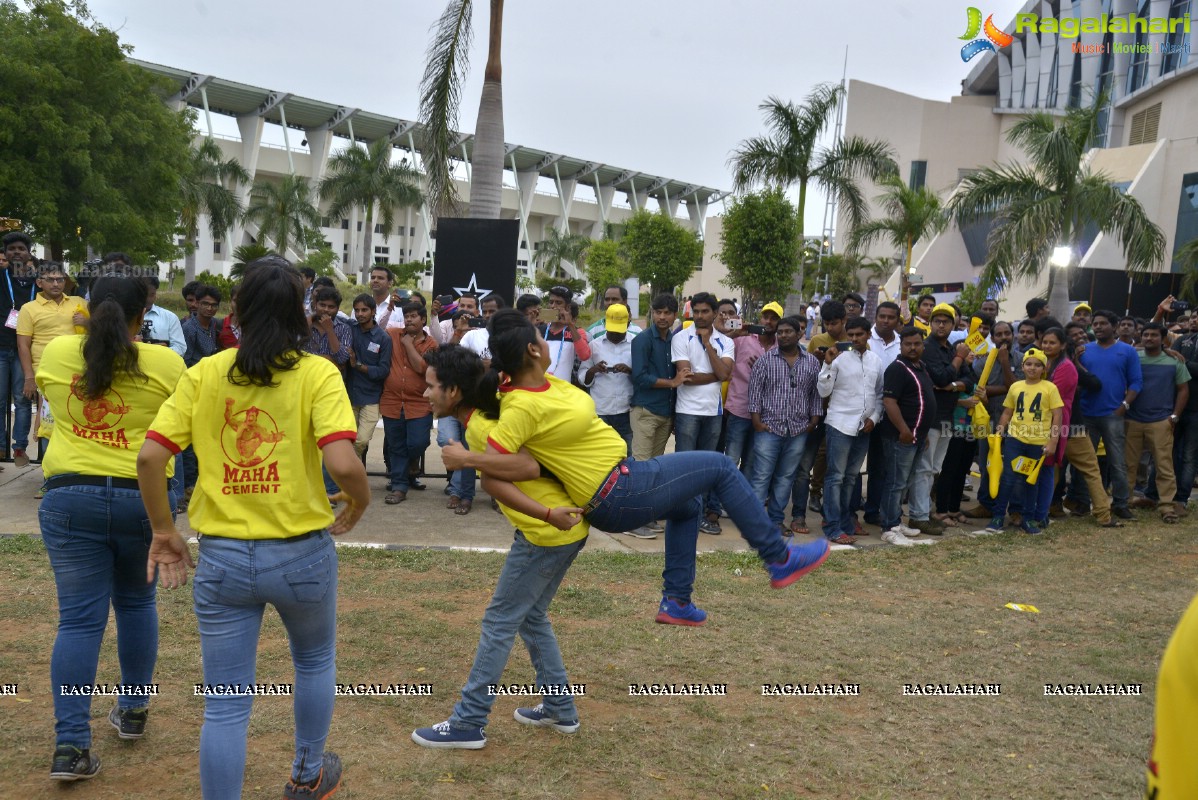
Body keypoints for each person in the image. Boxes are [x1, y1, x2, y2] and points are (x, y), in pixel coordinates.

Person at [137, 257, 369, 800]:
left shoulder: (205, 373)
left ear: (236, 311)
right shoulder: (317, 373)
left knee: (225, 705)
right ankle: (308, 774)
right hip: (301, 556)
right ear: (303, 316)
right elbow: (342, 462)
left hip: (221, 558)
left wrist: (164, 530)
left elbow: (151, 458)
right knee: (313, 661)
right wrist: (357, 504)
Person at [441, 309, 829, 627]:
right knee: (722, 467)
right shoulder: (520, 403)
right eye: (541, 337)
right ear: (533, 349)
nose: (547, 340)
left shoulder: (535, 383)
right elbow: (502, 460)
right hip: (618, 491)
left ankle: (677, 601)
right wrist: (467, 458)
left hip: (622, 481)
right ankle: (778, 558)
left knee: (688, 506)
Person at [36, 277, 186, 782]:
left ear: (86, 307)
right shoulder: (164, 363)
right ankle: (134, 711)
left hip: (69, 496)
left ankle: (71, 747)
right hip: (141, 500)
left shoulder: (57, 354)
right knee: (137, 605)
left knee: (78, 623)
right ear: (142, 316)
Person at [412, 345, 590, 749]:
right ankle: (561, 709)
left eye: (432, 386)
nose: (426, 394)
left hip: (546, 534)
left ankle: (469, 722)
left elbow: (527, 467)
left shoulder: (480, 428)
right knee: (531, 617)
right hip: (560, 532)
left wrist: (468, 460)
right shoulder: (487, 416)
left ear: (453, 391)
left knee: (499, 622)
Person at [747, 315, 822, 537]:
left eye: (788, 331)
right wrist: (757, 422)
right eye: (780, 332)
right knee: (761, 476)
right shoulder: (765, 360)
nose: (783, 335)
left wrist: (814, 420)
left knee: (786, 477)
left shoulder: (811, 362)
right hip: (769, 428)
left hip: (798, 429)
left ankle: (776, 521)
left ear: (800, 333)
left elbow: (815, 394)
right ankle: (755, 524)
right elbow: (754, 394)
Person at [980, 348, 1064, 535]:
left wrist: (1053, 441)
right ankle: (998, 515)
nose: (1032, 368)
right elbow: (1008, 412)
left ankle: (1028, 518)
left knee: (1031, 481)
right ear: (1022, 366)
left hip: (1037, 442)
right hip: (1015, 439)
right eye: (1028, 364)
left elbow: (1057, 416)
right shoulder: (1016, 387)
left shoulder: (1050, 388)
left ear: (1044, 368)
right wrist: (1000, 431)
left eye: (1037, 365)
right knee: (1008, 479)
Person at [671, 292, 734, 535]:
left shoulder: (725, 342)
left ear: (715, 313)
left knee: (707, 466)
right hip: (687, 411)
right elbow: (685, 377)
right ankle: (683, 514)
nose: (699, 316)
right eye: (695, 311)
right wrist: (718, 374)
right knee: (685, 465)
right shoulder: (682, 337)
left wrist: (708, 344)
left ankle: (699, 515)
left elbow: (725, 374)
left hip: (713, 412)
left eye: (704, 311)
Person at [909, 303, 975, 535]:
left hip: (948, 417)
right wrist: (959, 359)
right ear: (930, 323)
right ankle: (918, 516)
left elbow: (970, 379)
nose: (941, 324)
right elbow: (940, 375)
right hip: (930, 417)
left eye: (946, 321)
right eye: (937, 320)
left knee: (934, 468)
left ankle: (925, 512)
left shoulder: (949, 349)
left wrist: (952, 386)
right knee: (924, 469)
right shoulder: (927, 348)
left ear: (953, 324)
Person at [817, 316, 883, 544]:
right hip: (839, 425)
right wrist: (826, 363)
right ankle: (832, 525)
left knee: (851, 478)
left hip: (864, 427)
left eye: (859, 335)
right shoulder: (838, 359)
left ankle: (845, 521)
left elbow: (880, 394)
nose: (854, 339)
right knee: (836, 477)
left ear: (868, 335)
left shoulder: (875, 360)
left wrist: (874, 418)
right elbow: (823, 392)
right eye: (851, 335)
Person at [628, 294, 689, 539]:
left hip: (664, 413)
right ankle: (632, 520)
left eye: (667, 313)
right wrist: (673, 382)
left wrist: (673, 413)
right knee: (641, 468)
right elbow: (639, 378)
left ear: (676, 316)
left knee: (654, 469)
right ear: (651, 313)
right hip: (645, 411)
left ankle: (646, 515)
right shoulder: (643, 340)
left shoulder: (673, 341)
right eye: (658, 312)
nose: (662, 317)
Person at [1079, 309, 1142, 520]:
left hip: (1113, 415)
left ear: (1114, 327)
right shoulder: (1084, 350)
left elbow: (1136, 382)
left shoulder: (1127, 351)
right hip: (1086, 414)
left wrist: (1124, 405)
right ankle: (1082, 502)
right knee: (1086, 463)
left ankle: (1121, 504)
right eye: (1095, 323)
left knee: (1117, 462)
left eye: (1103, 323)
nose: (1097, 327)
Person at [877, 327, 937, 546]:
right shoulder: (897, 369)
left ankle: (896, 520)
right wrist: (903, 429)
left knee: (905, 481)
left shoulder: (922, 367)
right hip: (899, 437)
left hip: (917, 438)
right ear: (901, 346)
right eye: (908, 344)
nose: (913, 348)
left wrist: (921, 433)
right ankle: (889, 527)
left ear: (923, 345)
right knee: (895, 482)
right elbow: (889, 402)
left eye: (917, 343)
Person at [1125, 322, 1190, 523]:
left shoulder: (1175, 361)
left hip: (1161, 421)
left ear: (1163, 339)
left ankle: (1166, 506)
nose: (1149, 338)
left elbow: (1183, 390)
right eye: (1145, 335)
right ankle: (1122, 503)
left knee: (1164, 465)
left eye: (1154, 335)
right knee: (1127, 464)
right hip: (1132, 419)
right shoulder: (1133, 358)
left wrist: (1174, 416)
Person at [380, 301, 438, 504]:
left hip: (419, 403)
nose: (409, 320)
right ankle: (399, 487)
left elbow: (422, 368)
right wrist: (388, 310)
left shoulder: (431, 344)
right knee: (396, 445)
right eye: (406, 316)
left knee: (418, 442)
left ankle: (411, 464)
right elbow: (376, 329)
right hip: (391, 401)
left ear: (423, 319)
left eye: (414, 316)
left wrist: (407, 344)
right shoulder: (393, 333)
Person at [723, 301, 782, 475]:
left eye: (773, 318)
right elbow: (719, 346)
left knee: (750, 462)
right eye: (765, 317)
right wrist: (734, 333)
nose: (768, 322)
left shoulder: (781, 347)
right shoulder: (742, 340)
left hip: (765, 413)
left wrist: (764, 370)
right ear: (760, 318)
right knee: (731, 459)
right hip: (739, 407)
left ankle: (741, 500)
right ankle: (719, 502)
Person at [862, 301, 902, 525]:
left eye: (891, 317)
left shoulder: (901, 344)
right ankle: (850, 509)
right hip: (864, 410)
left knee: (881, 466)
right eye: (882, 316)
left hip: (891, 413)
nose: (886, 320)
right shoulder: (865, 340)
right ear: (875, 317)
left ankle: (873, 510)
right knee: (856, 466)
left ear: (897, 320)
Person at [578, 304, 635, 455]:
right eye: (612, 330)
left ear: (628, 323)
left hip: (627, 410)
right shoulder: (594, 346)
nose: (615, 334)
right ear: (605, 324)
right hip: (601, 410)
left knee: (628, 454)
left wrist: (629, 371)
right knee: (601, 453)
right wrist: (593, 369)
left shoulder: (636, 344)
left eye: (619, 330)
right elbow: (582, 376)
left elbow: (643, 375)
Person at [345, 293, 392, 461]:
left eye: (364, 310)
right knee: (346, 439)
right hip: (348, 396)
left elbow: (383, 371)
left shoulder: (383, 338)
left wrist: (357, 365)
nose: (360, 314)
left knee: (362, 440)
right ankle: (347, 474)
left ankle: (347, 468)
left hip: (371, 397)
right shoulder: (349, 329)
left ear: (373, 311)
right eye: (356, 310)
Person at [540, 286, 590, 382]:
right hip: (540, 389)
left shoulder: (577, 331)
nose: (553, 306)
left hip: (563, 391)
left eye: (558, 303)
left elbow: (584, 356)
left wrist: (570, 325)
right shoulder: (540, 329)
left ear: (567, 307)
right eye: (551, 302)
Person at [304, 286, 352, 369]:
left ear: (338, 309)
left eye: (331, 307)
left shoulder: (344, 329)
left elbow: (342, 359)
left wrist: (329, 330)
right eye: (322, 305)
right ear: (315, 305)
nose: (326, 310)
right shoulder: (305, 324)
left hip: (331, 379)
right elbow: (299, 354)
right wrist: (328, 359)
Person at [140, 277, 186, 356]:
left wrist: (159, 350)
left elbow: (180, 348)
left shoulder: (170, 317)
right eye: (143, 295)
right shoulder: (124, 315)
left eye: (151, 294)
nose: (148, 299)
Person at [182, 285, 223, 367]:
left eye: (214, 305)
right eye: (205, 304)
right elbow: (185, 360)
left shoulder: (216, 324)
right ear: (197, 303)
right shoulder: (189, 328)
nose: (209, 308)